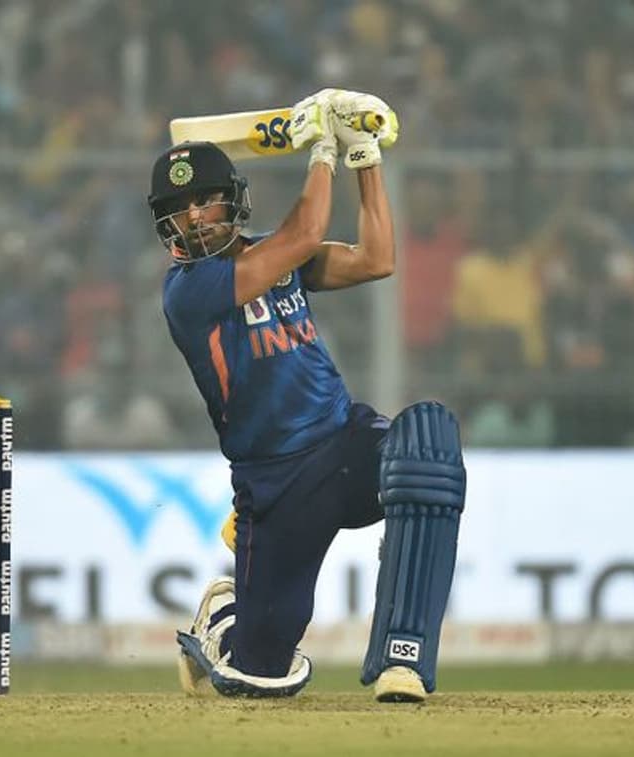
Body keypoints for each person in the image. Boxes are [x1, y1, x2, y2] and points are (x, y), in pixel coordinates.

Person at [150, 89, 467, 702]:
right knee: (261, 675)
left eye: (204, 200)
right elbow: (304, 235)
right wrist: (323, 147)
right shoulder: (187, 291)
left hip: (343, 442)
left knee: (428, 447)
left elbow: (376, 258)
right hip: (275, 483)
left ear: (232, 199)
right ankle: (227, 619)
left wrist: (364, 156)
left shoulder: (275, 253)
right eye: (178, 208)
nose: (193, 217)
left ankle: (402, 658)